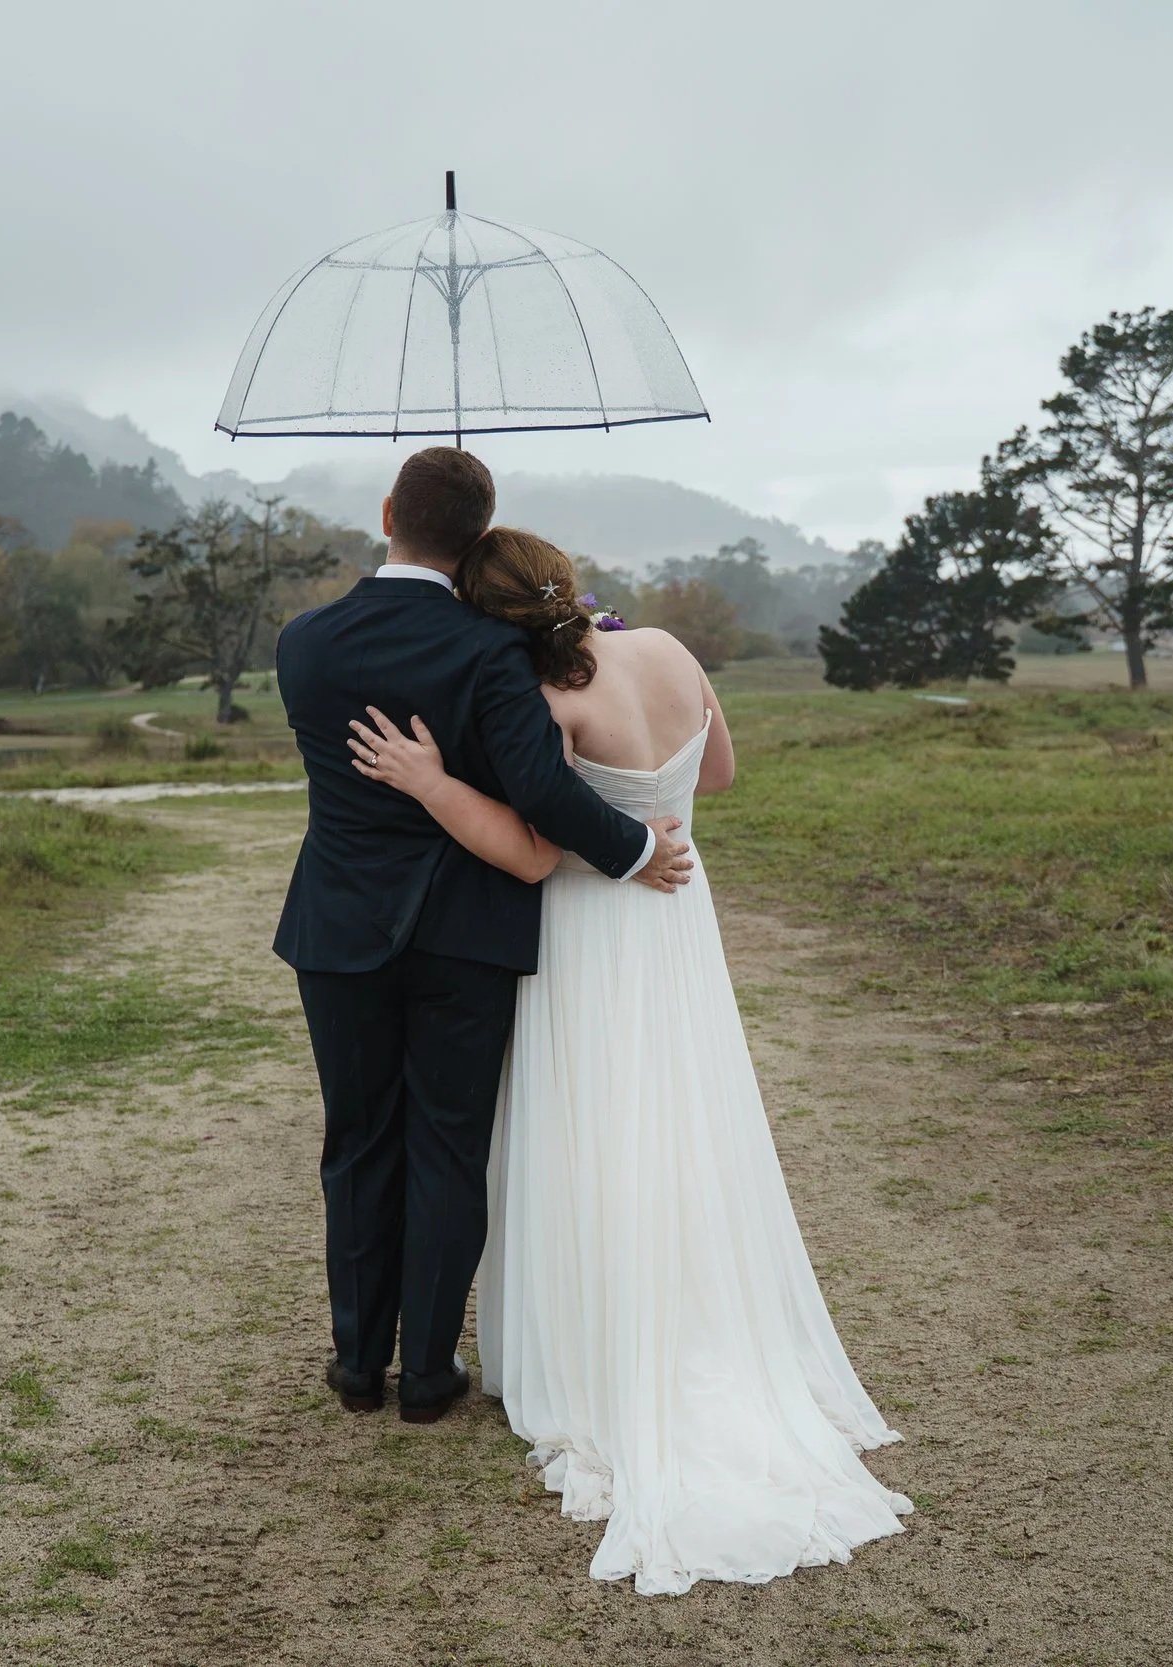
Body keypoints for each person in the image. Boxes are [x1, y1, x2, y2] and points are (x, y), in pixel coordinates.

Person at [345, 525, 913, 1596]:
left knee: (592, 1132)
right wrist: (660, 808)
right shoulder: (667, 647)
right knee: (684, 1125)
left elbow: (530, 848)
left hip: (591, 936)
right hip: (681, 926)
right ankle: (697, 1313)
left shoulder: (541, 698)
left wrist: (427, 779)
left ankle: (603, 1345)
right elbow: (725, 772)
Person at [272, 448, 694, 1426]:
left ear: (387, 512)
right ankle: (427, 1372)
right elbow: (544, 793)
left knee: (356, 1141)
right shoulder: (487, 649)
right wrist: (638, 852)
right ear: (478, 534)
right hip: (466, 930)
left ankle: (352, 1364)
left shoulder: (304, 643)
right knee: (448, 1148)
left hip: (336, 926)